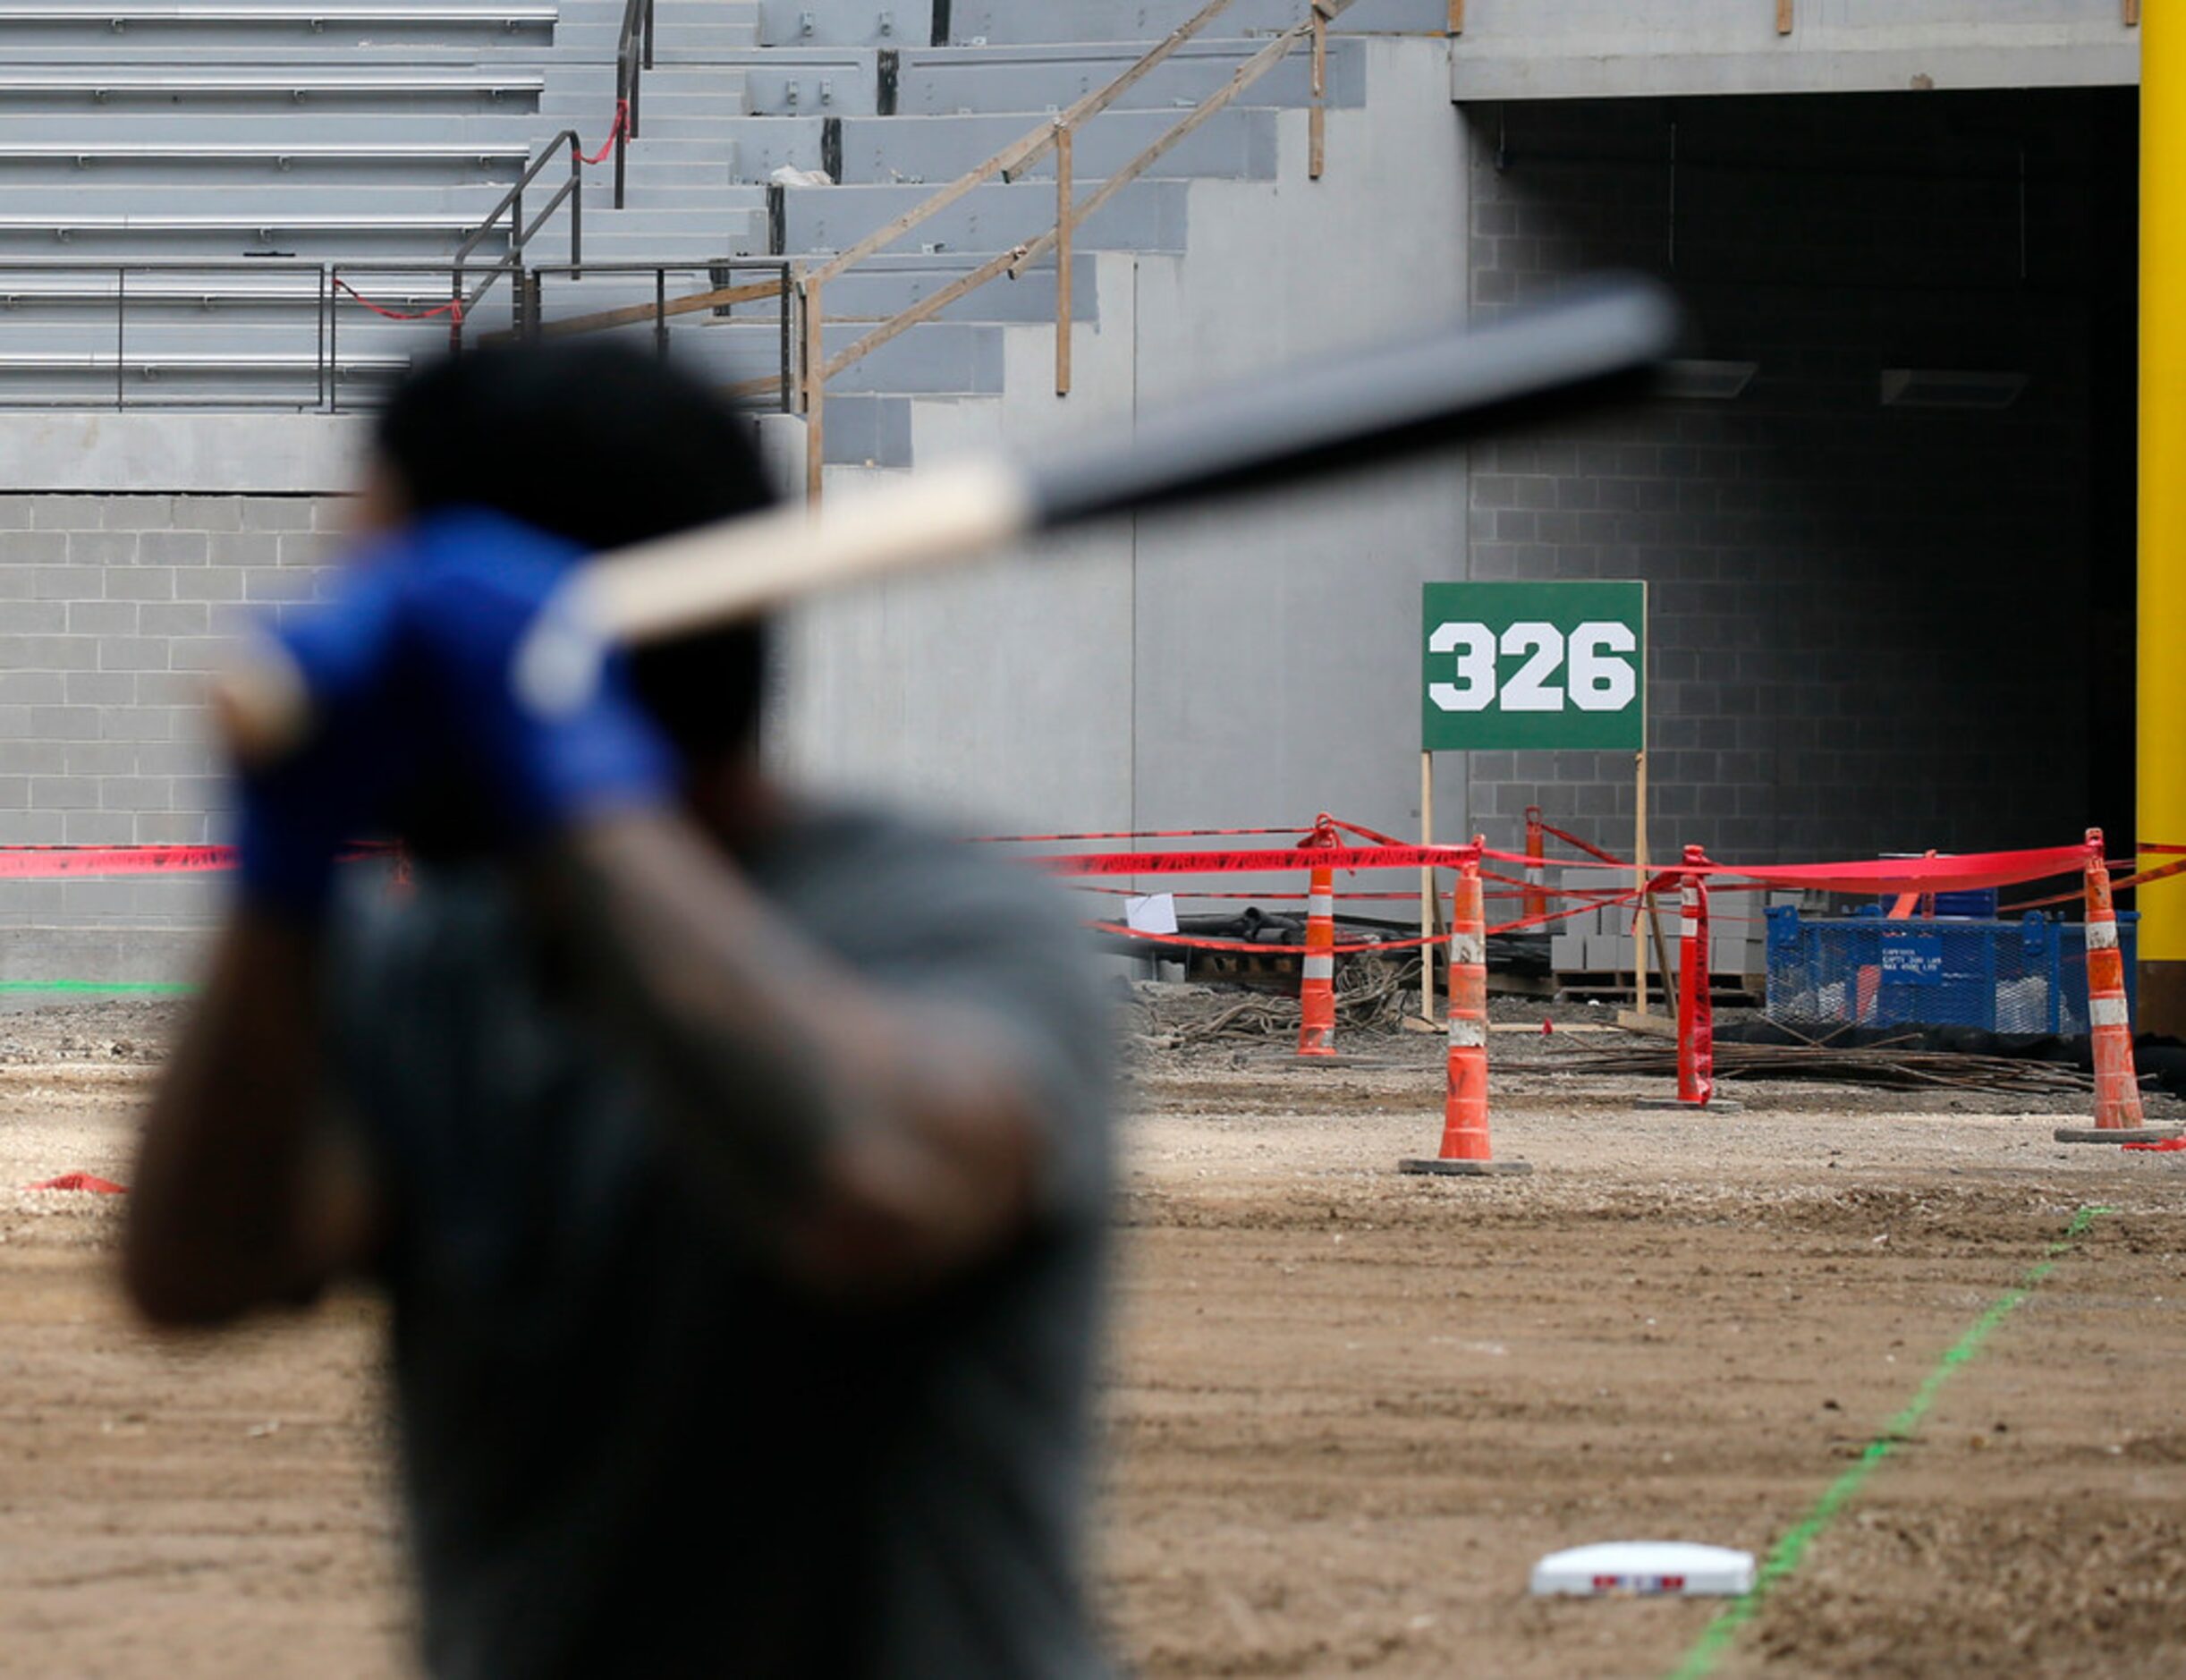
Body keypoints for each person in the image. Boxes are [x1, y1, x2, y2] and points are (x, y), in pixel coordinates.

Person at [123, 343, 1116, 1679]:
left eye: (395, 609)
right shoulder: (428, 966)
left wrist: (571, 775)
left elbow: (876, 1186)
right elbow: (197, 1269)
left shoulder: (944, 918)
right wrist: (279, 883)